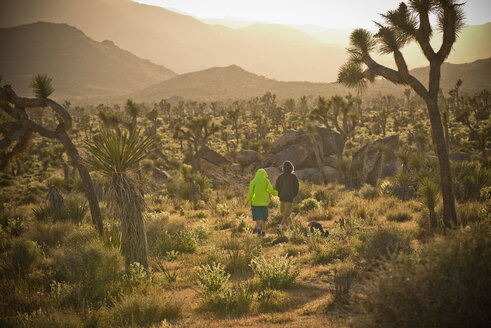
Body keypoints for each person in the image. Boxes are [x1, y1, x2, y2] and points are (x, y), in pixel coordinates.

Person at [248, 168, 278, 236]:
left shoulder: (253, 181)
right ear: (264, 174)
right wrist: (278, 193)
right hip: (264, 203)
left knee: (257, 217)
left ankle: (258, 230)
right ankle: (264, 231)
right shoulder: (266, 181)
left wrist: (250, 200)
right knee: (264, 217)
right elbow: (271, 190)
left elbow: (250, 192)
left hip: (255, 203)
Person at [275, 161, 299, 233]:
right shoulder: (294, 177)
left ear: (283, 168)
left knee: (284, 214)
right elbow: (296, 187)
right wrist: (294, 194)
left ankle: (288, 230)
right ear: (291, 168)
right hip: (289, 197)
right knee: (286, 214)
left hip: (282, 197)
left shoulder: (280, 177)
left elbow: (277, 186)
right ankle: (280, 228)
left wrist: (279, 194)